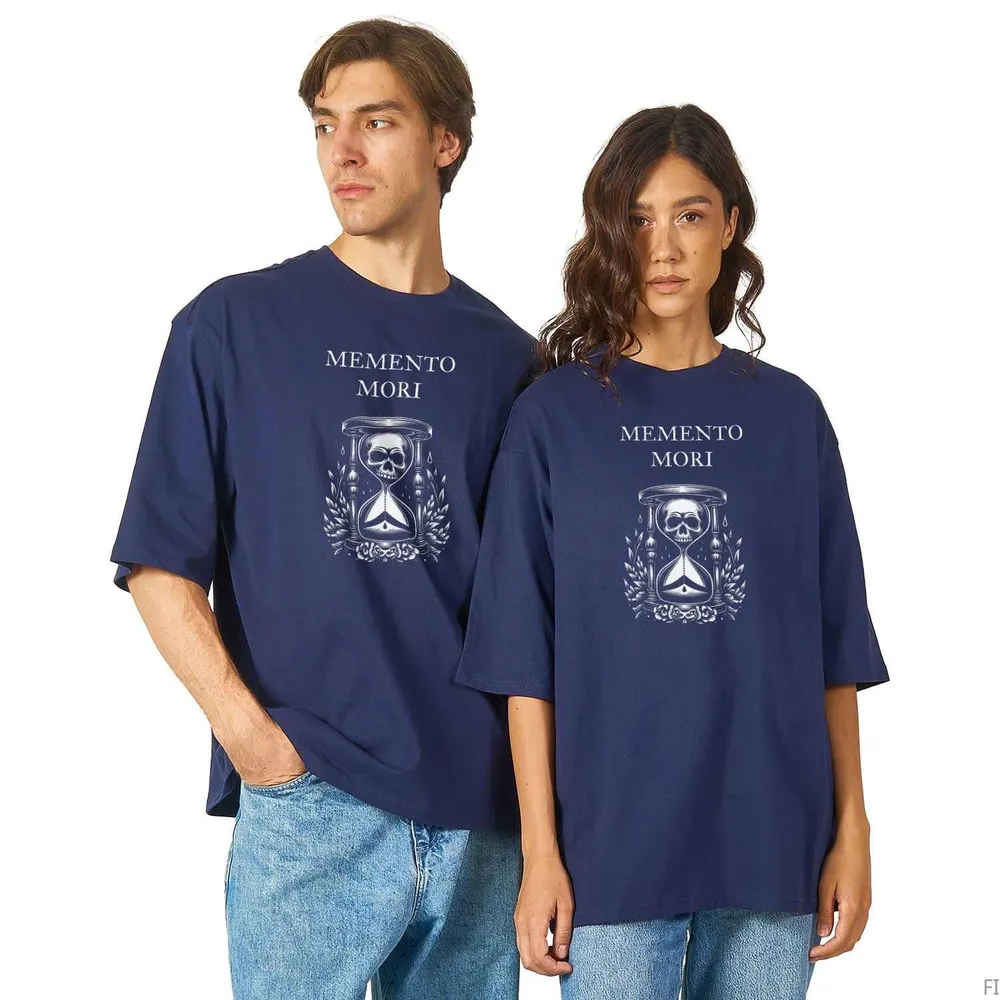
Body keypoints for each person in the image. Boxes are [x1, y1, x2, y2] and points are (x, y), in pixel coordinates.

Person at [110, 19, 536, 1000]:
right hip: (311, 801)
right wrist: (258, 747)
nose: (342, 151)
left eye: (376, 122)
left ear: (445, 140)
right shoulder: (232, 324)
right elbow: (160, 564)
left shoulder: (511, 360)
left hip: (481, 816)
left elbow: (531, 608)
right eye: (324, 124)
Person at [454, 104, 890, 999]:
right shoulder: (552, 418)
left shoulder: (792, 416)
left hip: (774, 843)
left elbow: (834, 647)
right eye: (638, 219)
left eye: (689, 215)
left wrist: (854, 828)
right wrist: (540, 853)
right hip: (610, 851)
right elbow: (520, 659)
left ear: (730, 225)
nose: (663, 247)